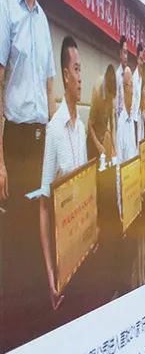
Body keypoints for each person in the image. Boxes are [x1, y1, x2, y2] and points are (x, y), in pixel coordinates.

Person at [0, 0, 56, 312]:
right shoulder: (5, 5)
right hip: (16, 142)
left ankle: (37, 315)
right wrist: (0, 161)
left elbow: (50, 87)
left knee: (40, 235)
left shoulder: (44, 19)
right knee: (15, 240)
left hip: (40, 141)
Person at [36, 36, 86, 309]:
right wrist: (50, 275)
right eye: (76, 70)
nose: (80, 78)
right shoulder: (54, 130)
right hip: (63, 260)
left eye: (81, 70)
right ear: (65, 76)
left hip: (83, 252)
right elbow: (44, 207)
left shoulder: (81, 127)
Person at [88, 64, 118, 162]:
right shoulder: (97, 92)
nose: (111, 99)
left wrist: (114, 148)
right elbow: (90, 125)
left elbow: (112, 124)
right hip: (93, 141)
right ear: (106, 90)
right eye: (110, 96)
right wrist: (98, 145)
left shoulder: (111, 92)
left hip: (102, 137)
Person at [115, 65, 138, 164]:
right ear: (124, 89)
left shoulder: (132, 119)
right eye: (129, 85)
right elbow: (119, 161)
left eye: (132, 85)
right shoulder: (121, 124)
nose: (132, 91)